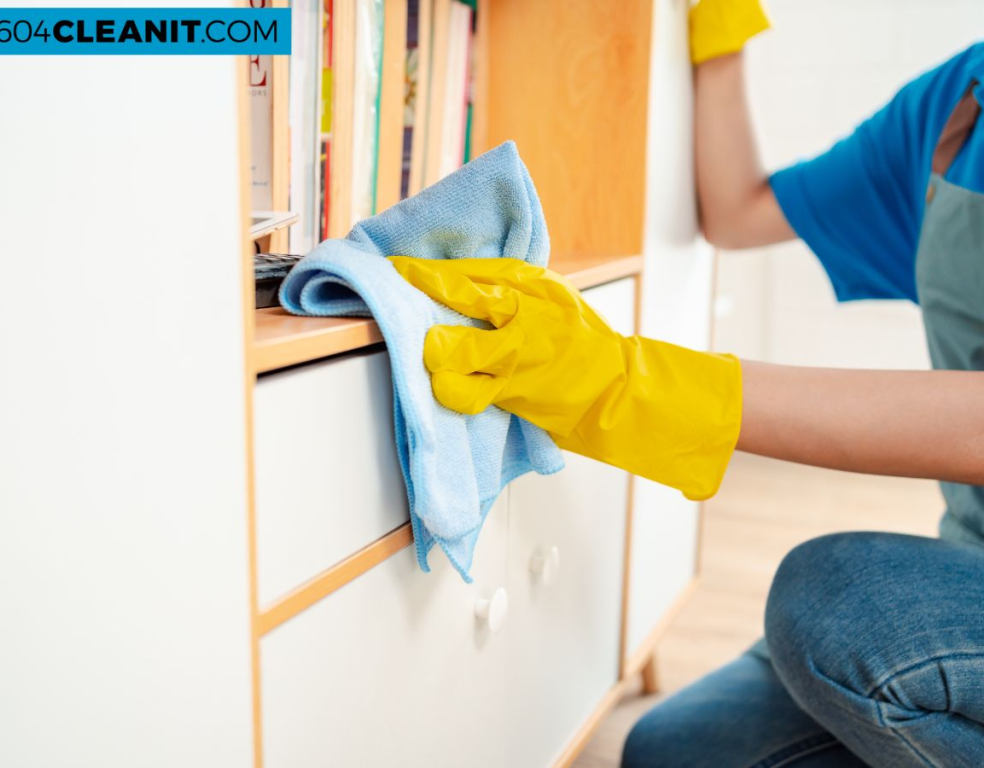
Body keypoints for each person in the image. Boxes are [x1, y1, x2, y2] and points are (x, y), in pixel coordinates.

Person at [390, 0, 984, 763]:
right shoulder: (959, 102)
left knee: (839, 597)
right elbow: (739, 211)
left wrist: (629, 384)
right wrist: (719, 26)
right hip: (969, 557)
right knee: (678, 752)